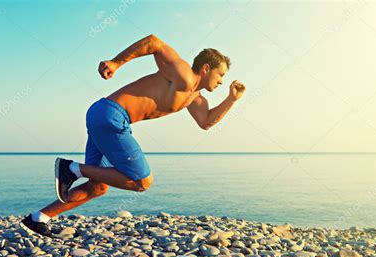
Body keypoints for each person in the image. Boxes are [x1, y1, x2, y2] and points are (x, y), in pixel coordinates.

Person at [20, 34, 246, 237]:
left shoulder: (196, 98)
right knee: (142, 181)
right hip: (112, 116)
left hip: (103, 116)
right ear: (206, 68)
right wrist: (116, 63)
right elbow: (154, 42)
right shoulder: (184, 74)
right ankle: (71, 168)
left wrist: (232, 99)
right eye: (221, 75)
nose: (222, 81)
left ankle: (39, 218)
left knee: (97, 186)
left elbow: (206, 122)